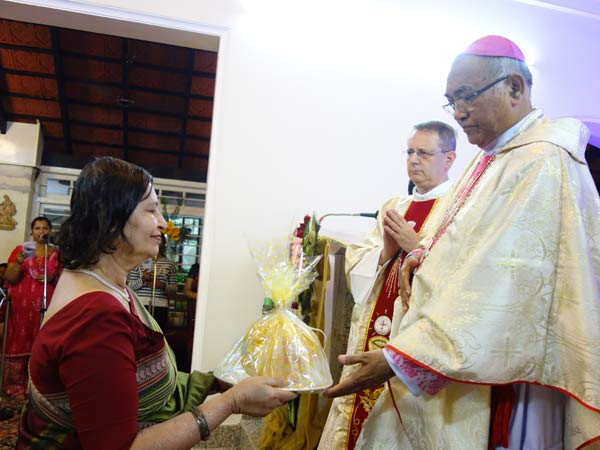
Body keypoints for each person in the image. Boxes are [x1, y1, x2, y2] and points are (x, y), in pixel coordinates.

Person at [323, 35, 600, 449]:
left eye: (468, 95)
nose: (459, 112)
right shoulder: (495, 156)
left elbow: (506, 284)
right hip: (464, 361)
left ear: (515, 88)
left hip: (504, 375)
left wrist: (401, 358)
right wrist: (422, 254)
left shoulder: (542, 160)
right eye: (451, 101)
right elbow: (465, 246)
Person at [16, 157, 296, 449]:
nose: (163, 222)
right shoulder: (96, 319)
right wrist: (231, 402)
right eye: (151, 210)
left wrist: (217, 381)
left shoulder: (105, 283)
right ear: (111, 220)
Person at [318, 121, 457, 450]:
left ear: (449, 158)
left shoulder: (458, 207)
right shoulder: (394, 206)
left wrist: (416, 245)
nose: (414, 160)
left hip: (413, 334)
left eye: (424, 153)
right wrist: (386, 251)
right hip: (376, 321)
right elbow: (360, 263)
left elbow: (460, 272)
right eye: (409, 152)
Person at [2, 216, 60, 399]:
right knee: (18, 343)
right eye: (37, 228)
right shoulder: (20, 251)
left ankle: (36, 389)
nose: (41, 231)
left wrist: (51, 279)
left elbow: (64, 281)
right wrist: (19, 262)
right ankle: (15, 388)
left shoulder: (57, 254)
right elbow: (9, 278)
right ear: (32, 231)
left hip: (46, 308)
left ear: (49, 231)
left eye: (45, 228)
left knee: (42, 347)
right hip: (21, 309)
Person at [127, 234, 177, 329]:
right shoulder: (137, 261)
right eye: (153, 238)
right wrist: (143, 279)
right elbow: (129, 287)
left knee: (157, 334)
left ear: (164, 243)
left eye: (159, 239)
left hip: (160, 306)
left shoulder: (169, 264)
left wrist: (162, 286)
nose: (156, 241)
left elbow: (174, 291)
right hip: (140, 304)